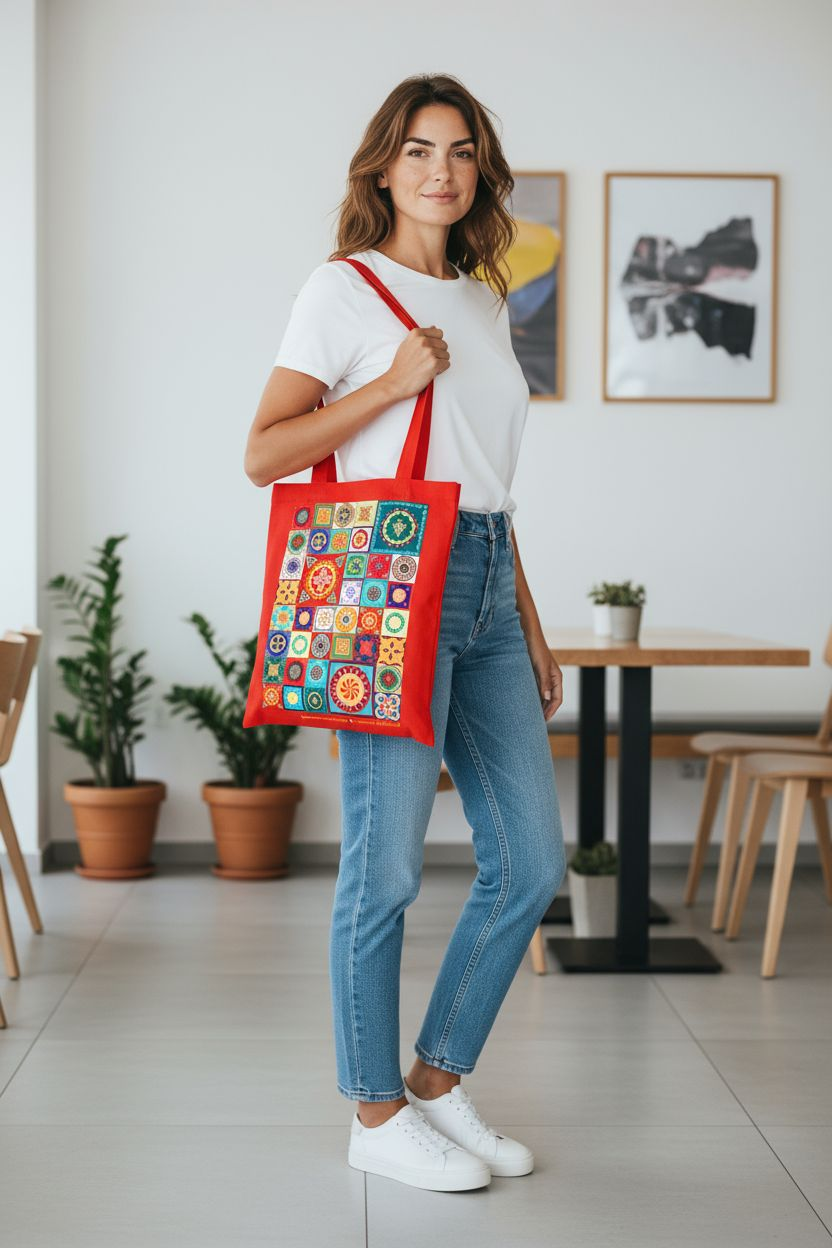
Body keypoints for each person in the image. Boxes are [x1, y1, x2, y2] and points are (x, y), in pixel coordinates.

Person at [244, 73, 566, 1193]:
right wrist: (387, 384)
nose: (442, 170)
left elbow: (485, 479)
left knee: (529, 859)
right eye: (420, 150)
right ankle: (373, 1113)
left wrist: (527, 621)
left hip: (481, 575)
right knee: (380, 870)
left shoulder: (483, 299)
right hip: (385, 580)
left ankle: (433, 1083)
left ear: (479, 172)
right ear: (383, 166)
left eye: (462, 152)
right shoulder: (340, 291)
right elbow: (265, 452)